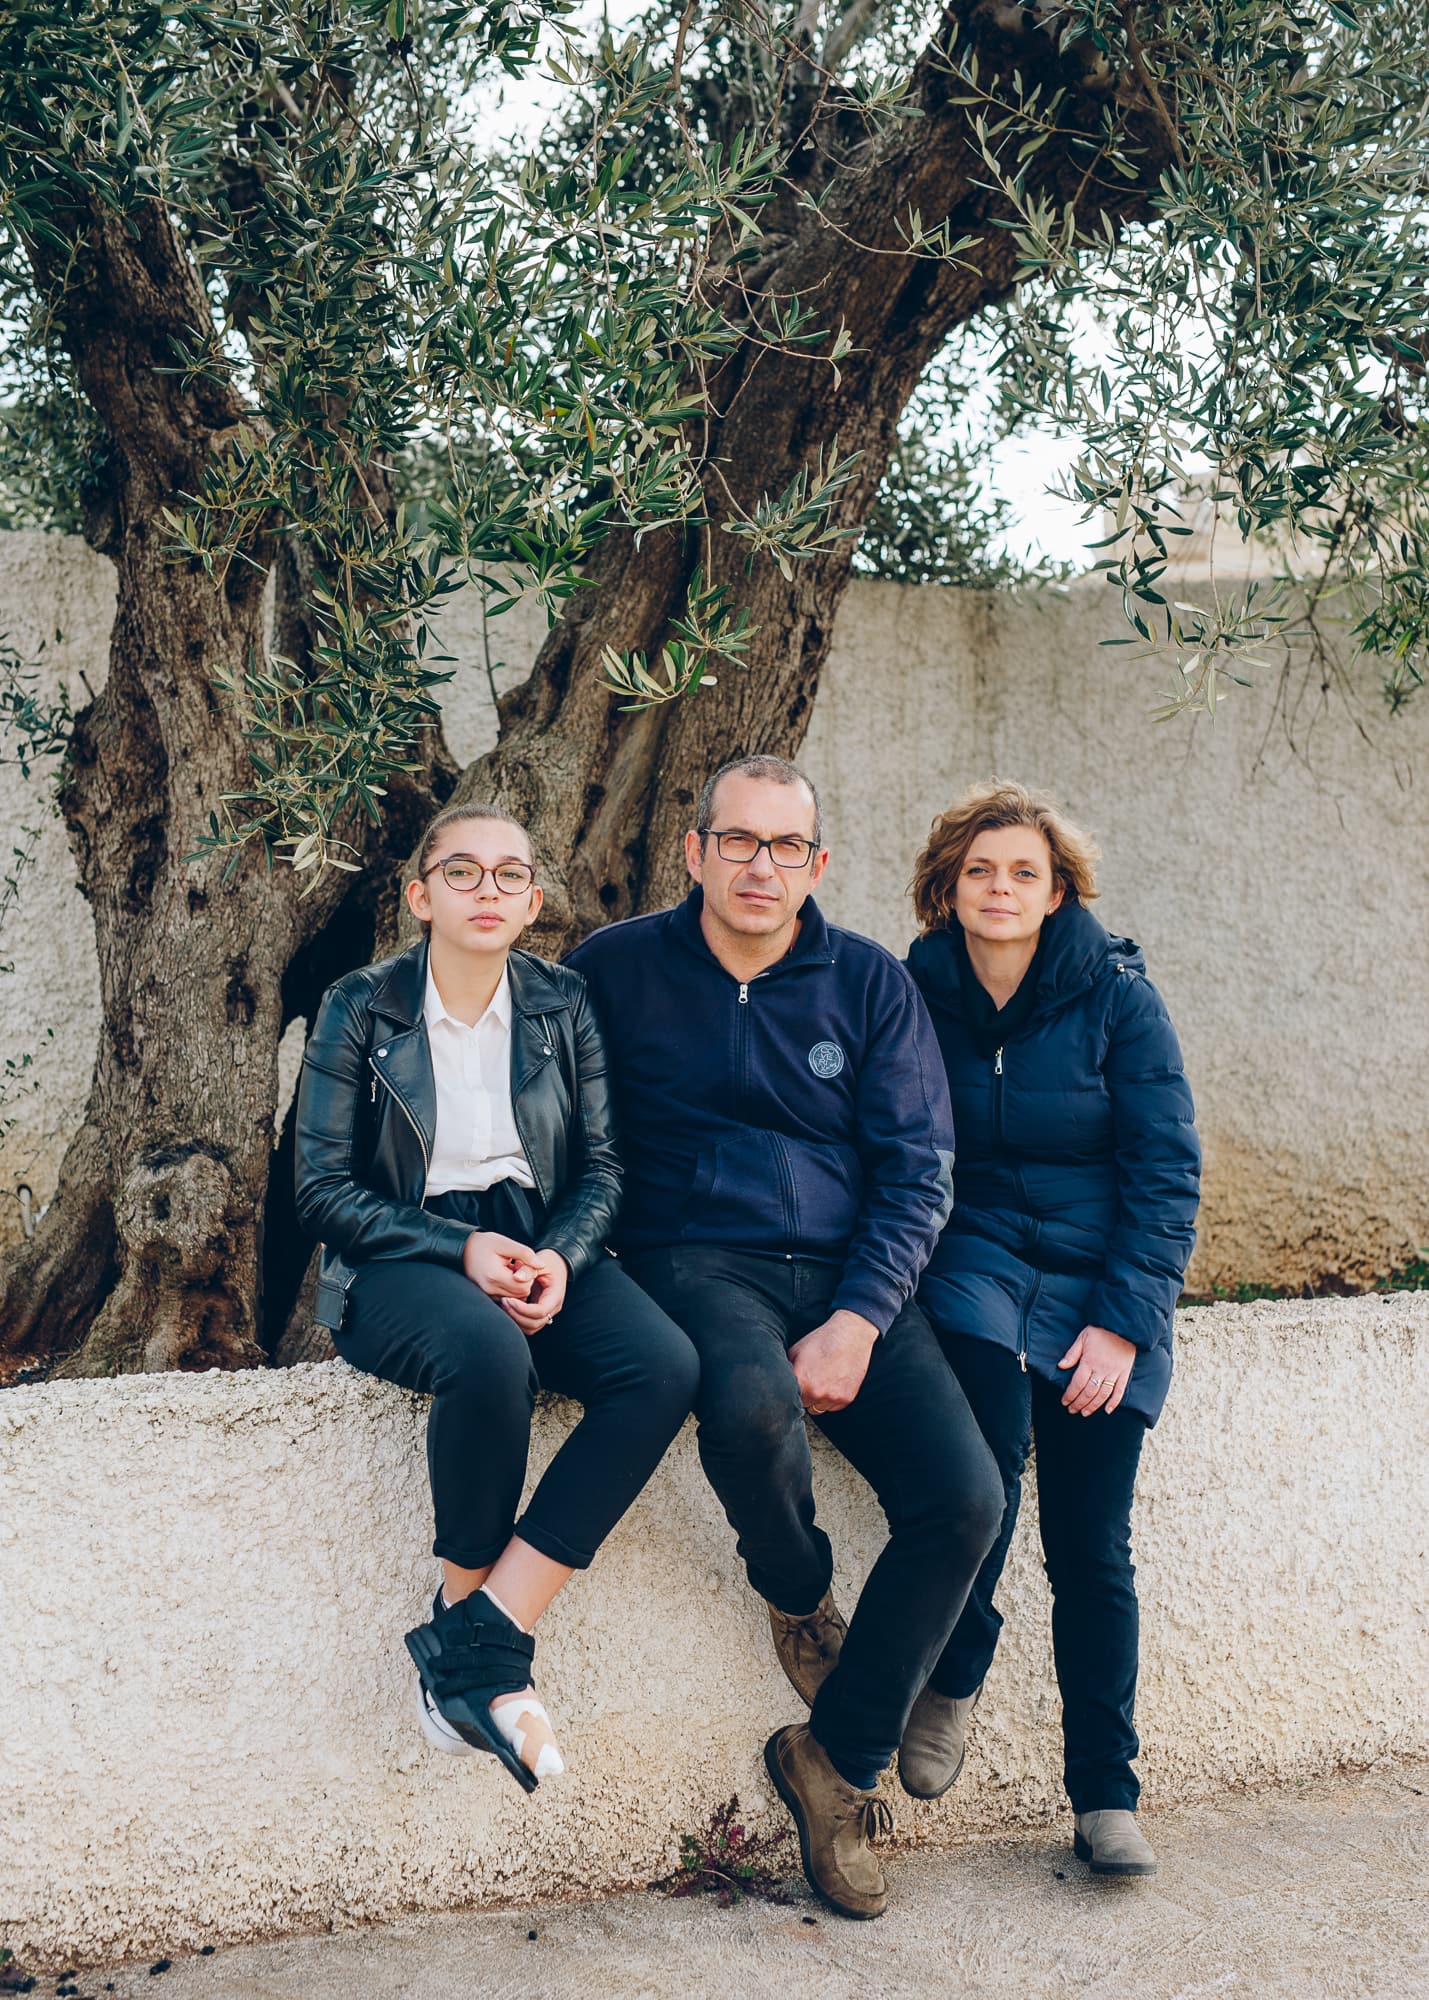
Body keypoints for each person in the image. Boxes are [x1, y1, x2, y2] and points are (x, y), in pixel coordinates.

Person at [567, 755, 1002, 1920]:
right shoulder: (610, 969)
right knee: (753, 1409)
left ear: (817, 862)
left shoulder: (864, 980)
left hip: (852, 1271)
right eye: (739, 841)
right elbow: (547, 1116)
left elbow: (919, 1170)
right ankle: (801, 1593)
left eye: (787, 847)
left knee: (965, 1501)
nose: (763, 866)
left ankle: (833, 1757)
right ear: (695, 848)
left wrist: (861, 1315)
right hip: (693, 1259)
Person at [294, 804, 699, 1793]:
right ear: (419, 894)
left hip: (535, 1238)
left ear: (534, 903)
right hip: (397, 1251)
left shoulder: (560, 1003)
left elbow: (602, 1166)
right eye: (463, 871)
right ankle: (478, 1652)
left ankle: (480, 1635)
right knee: (486, 1353)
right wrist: (459, 1245)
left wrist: (560, 1252)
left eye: (509, 875)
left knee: (662, 1365)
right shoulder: (362, 1005)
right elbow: (322, 1190)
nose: (487, 890)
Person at [900, 780, 1200, 1877]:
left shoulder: (1120, 997)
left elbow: (1165, 1172)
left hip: (1098, 1284)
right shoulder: (908, 992)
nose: (999, 887)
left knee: (1090, 1546)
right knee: (979, 1482)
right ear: (947, 887)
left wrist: (1123, 1325)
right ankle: (958, 1662)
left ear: (1058, 887)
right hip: (971, 1265)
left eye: (1023, 870)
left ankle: (1104, 1793)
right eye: (979, 869)